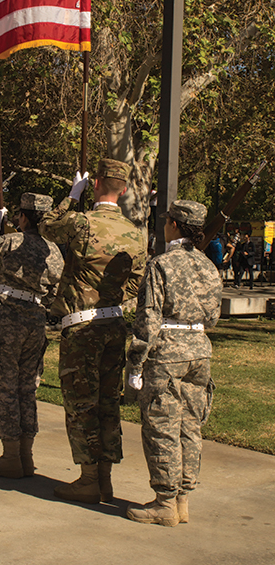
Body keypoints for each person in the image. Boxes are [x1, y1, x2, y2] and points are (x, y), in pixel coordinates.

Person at [38, 159, 147, 503]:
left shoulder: (82, 223)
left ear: (96, 183)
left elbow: (46, 226)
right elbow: (136, 282)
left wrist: (72, 194)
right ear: (125, 189)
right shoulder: (136, 233)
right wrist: (110, 295)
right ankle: (105, 478)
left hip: (83, 325)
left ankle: (87, 479)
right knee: (107, 403)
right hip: (114, 323)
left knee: (81, 403)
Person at [126, 200, 222, 527]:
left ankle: (164, 502)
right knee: (190, 426)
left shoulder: (161, 264)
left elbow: (148, 318)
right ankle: (182, 500)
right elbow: (213, 317)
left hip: (167, 351)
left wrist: (136, 363)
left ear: (175, 225)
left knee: (162, 425)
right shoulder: (209, 266)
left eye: (167, 220)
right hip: (200, 349)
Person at [0, 193, 64, 478]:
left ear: (23, 217)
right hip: (35, 317)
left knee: (4, 386)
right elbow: (55, 286)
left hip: (9, 314)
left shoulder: (12, 240)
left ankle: (11, 454)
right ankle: (26, 455)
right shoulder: (54, 250)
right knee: (27, 388)